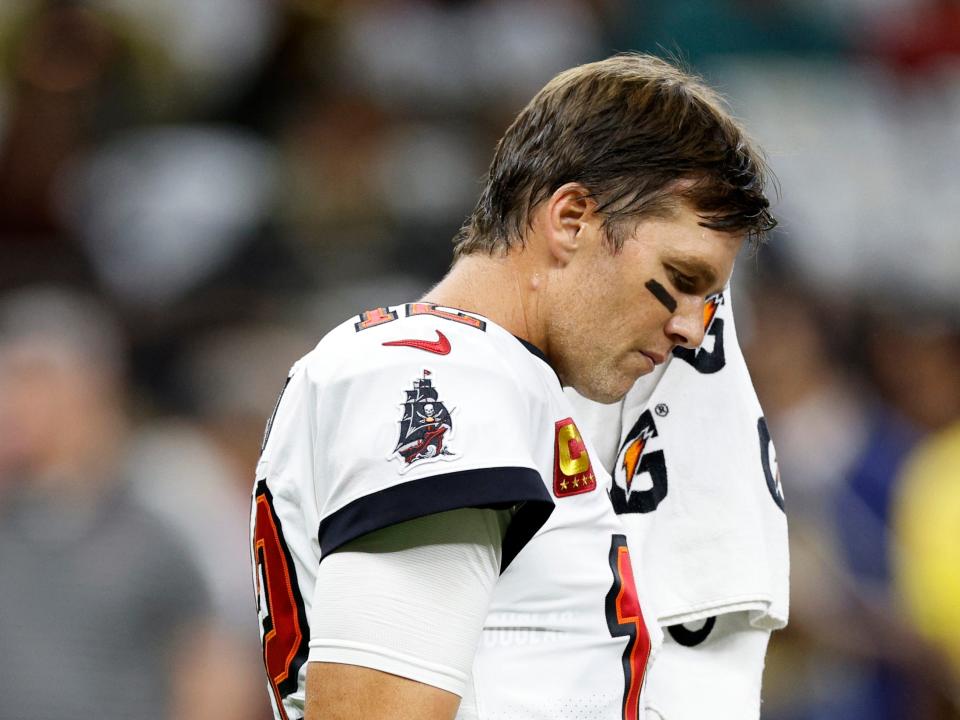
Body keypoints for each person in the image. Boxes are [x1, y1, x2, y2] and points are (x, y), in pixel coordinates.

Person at [250, 53, 776, 720]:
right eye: (681, 277)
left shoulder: (486, 377)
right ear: (572, 219)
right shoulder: (444, 373)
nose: (690, 329)